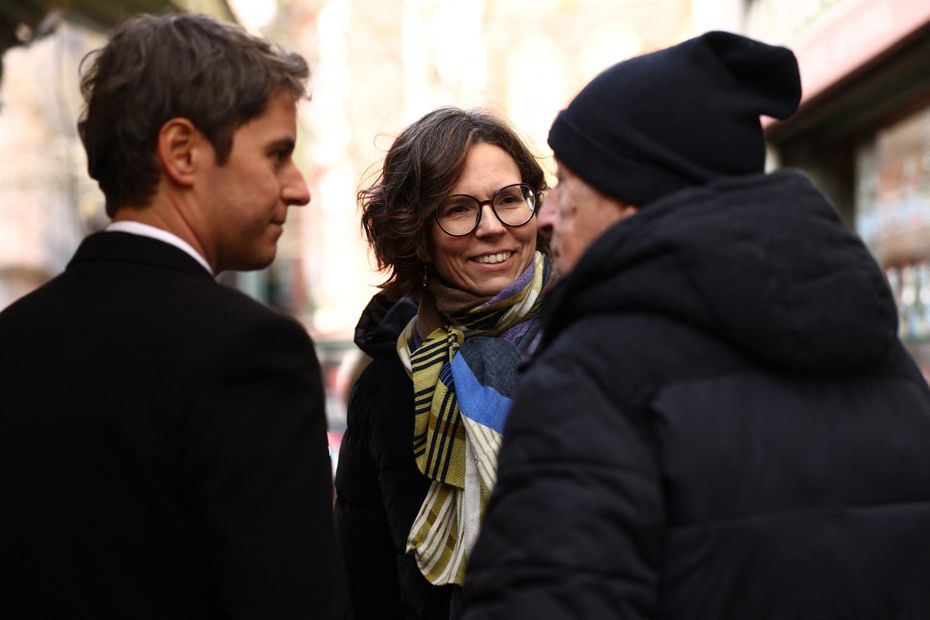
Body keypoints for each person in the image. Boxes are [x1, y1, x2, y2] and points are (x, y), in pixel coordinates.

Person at [463, 31, 930, 619]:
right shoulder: (888, 366)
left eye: (568, 183)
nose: (548, 214)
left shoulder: (590, 377)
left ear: (634, 199)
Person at [0, 13, 346, 618]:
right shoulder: (251, 352)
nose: (298, 187)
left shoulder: (15, 337)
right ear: (182, 152)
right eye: (277, 154)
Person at [334, 107, 554, 619]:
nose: (493, 227)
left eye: (508, 199)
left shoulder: (588, 341)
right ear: (418, 237)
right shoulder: (385, 386)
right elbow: (365, 582)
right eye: (458, 209)